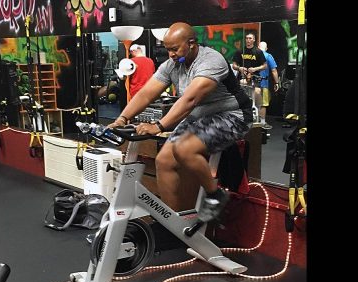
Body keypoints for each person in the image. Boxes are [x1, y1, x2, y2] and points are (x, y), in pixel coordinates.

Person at [108, 22, 252, 222]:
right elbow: (146, 94)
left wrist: (158, 126)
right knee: (164, 160)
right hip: (199, 116)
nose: (171, 54)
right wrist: (121, 119)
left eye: (175, 49)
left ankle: (214, 195)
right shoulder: (172, 65)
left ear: (191, 43)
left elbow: (190, 100)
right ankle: (174, 223)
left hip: (232, 116)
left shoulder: (211, 60)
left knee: (184, 149)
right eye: (168, 50)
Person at [231, 32, 267, 124]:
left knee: (258, 94)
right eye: (247, 38)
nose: (248, 40)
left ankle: (260, 120)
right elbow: (234, 65)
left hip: (255, 77)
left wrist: (255, 69)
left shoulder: (258, 52)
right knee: (240, 95)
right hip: (242, 77)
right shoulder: (240, 51)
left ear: (254, 40)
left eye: (250, 38)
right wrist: (240, 68)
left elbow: (264, 66)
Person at [258, 41, 279, 129]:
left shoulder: (252, 55)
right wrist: (277, 83)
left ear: (258, 47)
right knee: (263, 103)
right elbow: (274, 71)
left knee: (253, 103)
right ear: (266, 48)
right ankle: (262, 123)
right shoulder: (268, 56)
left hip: (250, 83)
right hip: (263, 83)